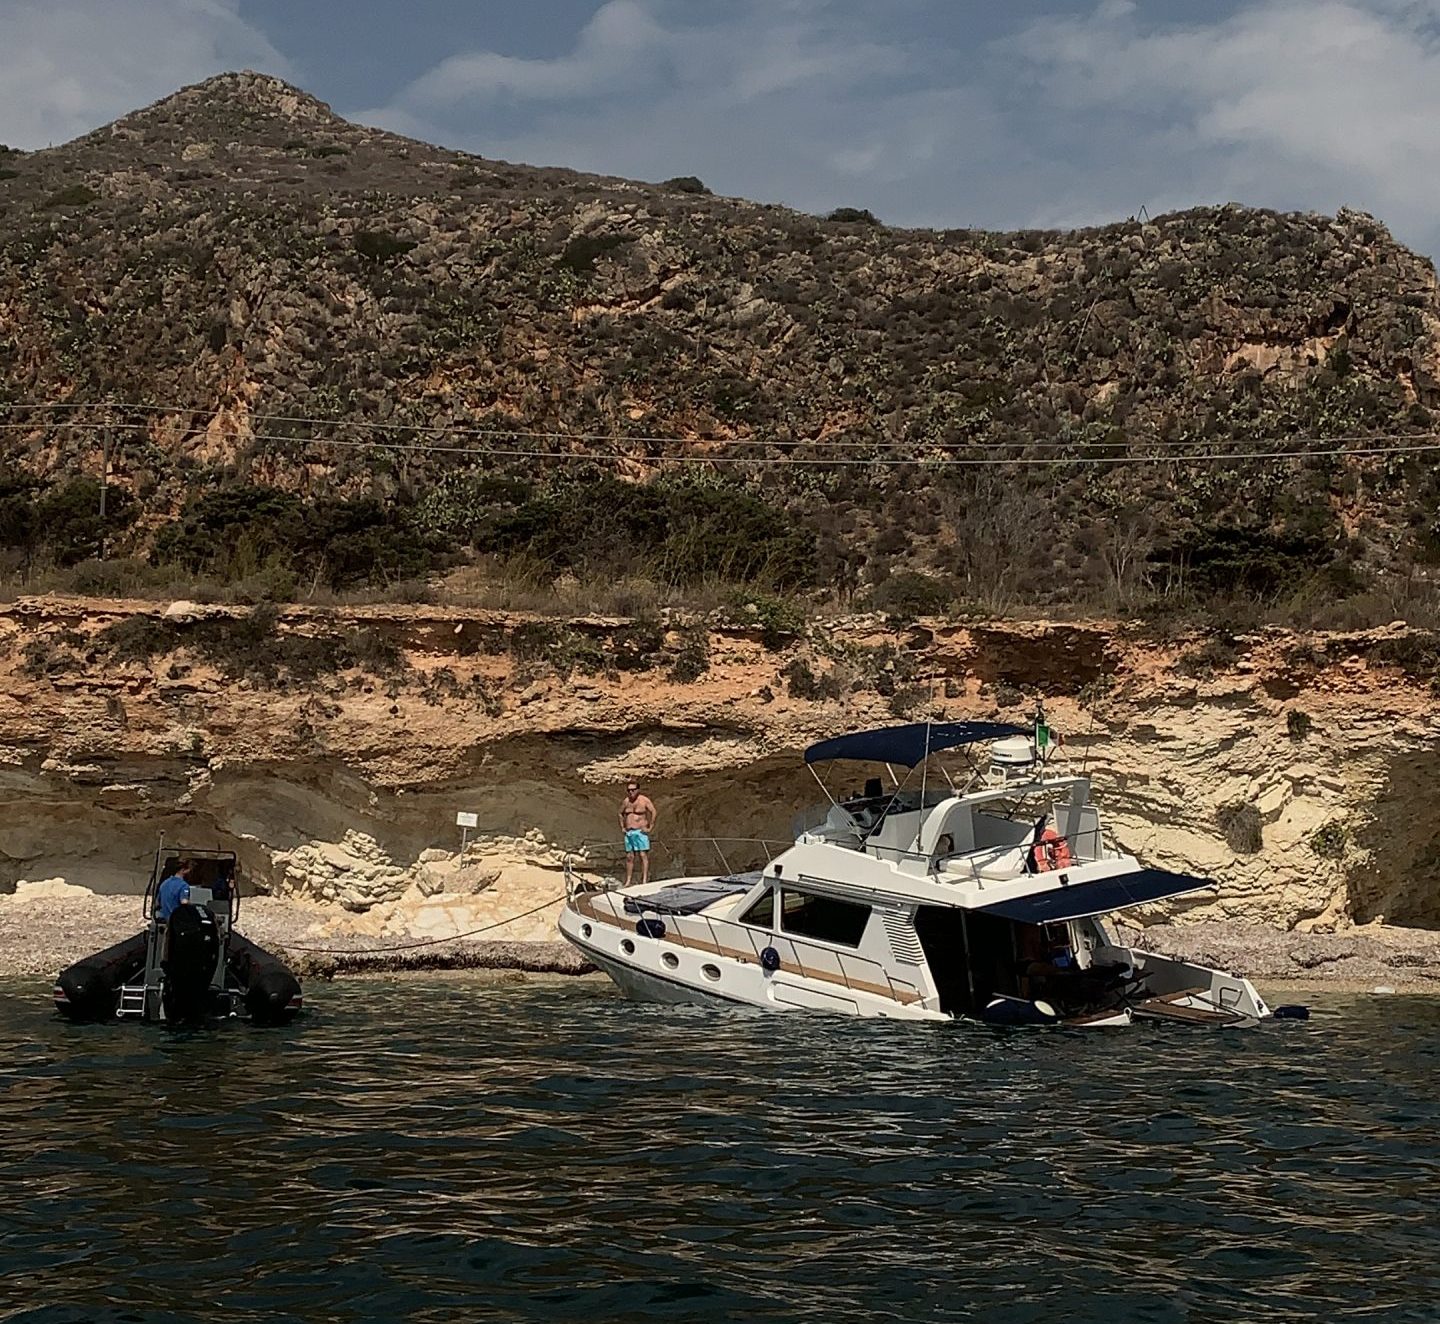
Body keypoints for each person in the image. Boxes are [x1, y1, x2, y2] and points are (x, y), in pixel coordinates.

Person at [619, 779, 657, 887]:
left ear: (638, 790)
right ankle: (628, 880)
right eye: (629, 790)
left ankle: (644, 879)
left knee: (642, 854)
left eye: (633, 790)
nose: (631, 792)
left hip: (640, 831)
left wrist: (650, 826)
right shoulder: (626, 801)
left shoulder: (644, 800)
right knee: (629, 856)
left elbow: (653, 811)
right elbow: (620, 813)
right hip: (629, 832)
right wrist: (622, 827)